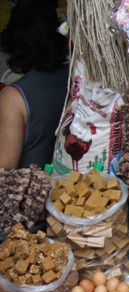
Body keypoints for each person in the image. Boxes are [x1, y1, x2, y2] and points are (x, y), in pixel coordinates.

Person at [0, 0, 69, 168]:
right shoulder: (73, 76)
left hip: (34, 189)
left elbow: (4, 168)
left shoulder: (13, 97)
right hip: (68, 184)